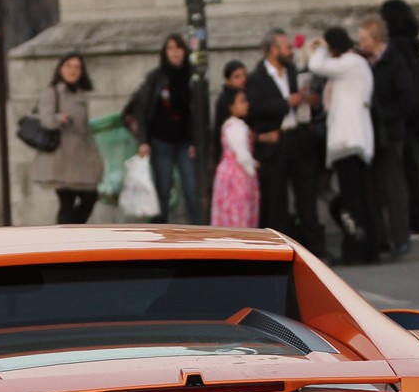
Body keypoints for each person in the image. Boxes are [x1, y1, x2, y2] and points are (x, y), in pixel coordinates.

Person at [246, 29, 324, 253]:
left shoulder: (293, 72)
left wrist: (309, 101)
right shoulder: (257, 78)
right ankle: (279, 250)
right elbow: (256, 108)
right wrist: (286, 102)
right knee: (275, 197)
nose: (291, 51)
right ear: (273, 50)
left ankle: (314, 247)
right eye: (287, 47)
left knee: (306, 193)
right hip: (274, 142)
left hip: (298, 138)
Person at [307, 27, 376, 264]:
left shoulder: (349, 63)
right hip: (355, 140)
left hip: (348, 140)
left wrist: (321, 47)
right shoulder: (355, 63)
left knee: (352, 199)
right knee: (361, 196)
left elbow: (316, 65)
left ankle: (355, 249)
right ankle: (368, 248)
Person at [357, 14, 414, 258]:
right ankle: (379, 237)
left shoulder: (394, 61)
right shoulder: (362, 61)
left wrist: (384, 115)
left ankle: (400, 237)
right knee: (372, 187)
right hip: (368, 133)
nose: (361, 44)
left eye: (364, 39)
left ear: (376, 39)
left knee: (393, 186)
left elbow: (406, 98)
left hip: (389, 132)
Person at [381, 0, 419, 237]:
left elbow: (404, 87)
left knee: (407, 174)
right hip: (416, 120)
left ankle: (418, 222)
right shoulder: (411, 43)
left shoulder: (397, 47)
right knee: (412, 171)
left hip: (407, 121)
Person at [129, 34, 200, 223]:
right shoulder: (156, 77)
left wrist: (196, 141)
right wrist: (143, 141)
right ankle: (160, 233)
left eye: (178, 48)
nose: (175, 53)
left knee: (192, 189)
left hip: (185, 142)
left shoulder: (192, 77)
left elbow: (197, 112)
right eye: (170, 48)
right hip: (161, 142)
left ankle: (199, 231)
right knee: (163, 190)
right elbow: (142, 109)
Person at [32, 54, 104, 223]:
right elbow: (46, 120)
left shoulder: (81, 93)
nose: (73, 70)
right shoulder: (51, 92)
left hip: (81, 157)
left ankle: (71, 233)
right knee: (67, 202)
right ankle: (66, 236)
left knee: (90, 197)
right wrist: (59, 118)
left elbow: (85, 128)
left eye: (77, 67)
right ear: (60, 69)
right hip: (61, 158)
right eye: (69, 66)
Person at [211, 87, 258, 227]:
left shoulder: (229, 126)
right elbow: (242, 155)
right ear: (231, 106)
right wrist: (252, 168)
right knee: (238, 213)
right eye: (242, 101)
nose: (246, 105)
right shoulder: (236, 127)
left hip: (229, 176)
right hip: (237, 179)